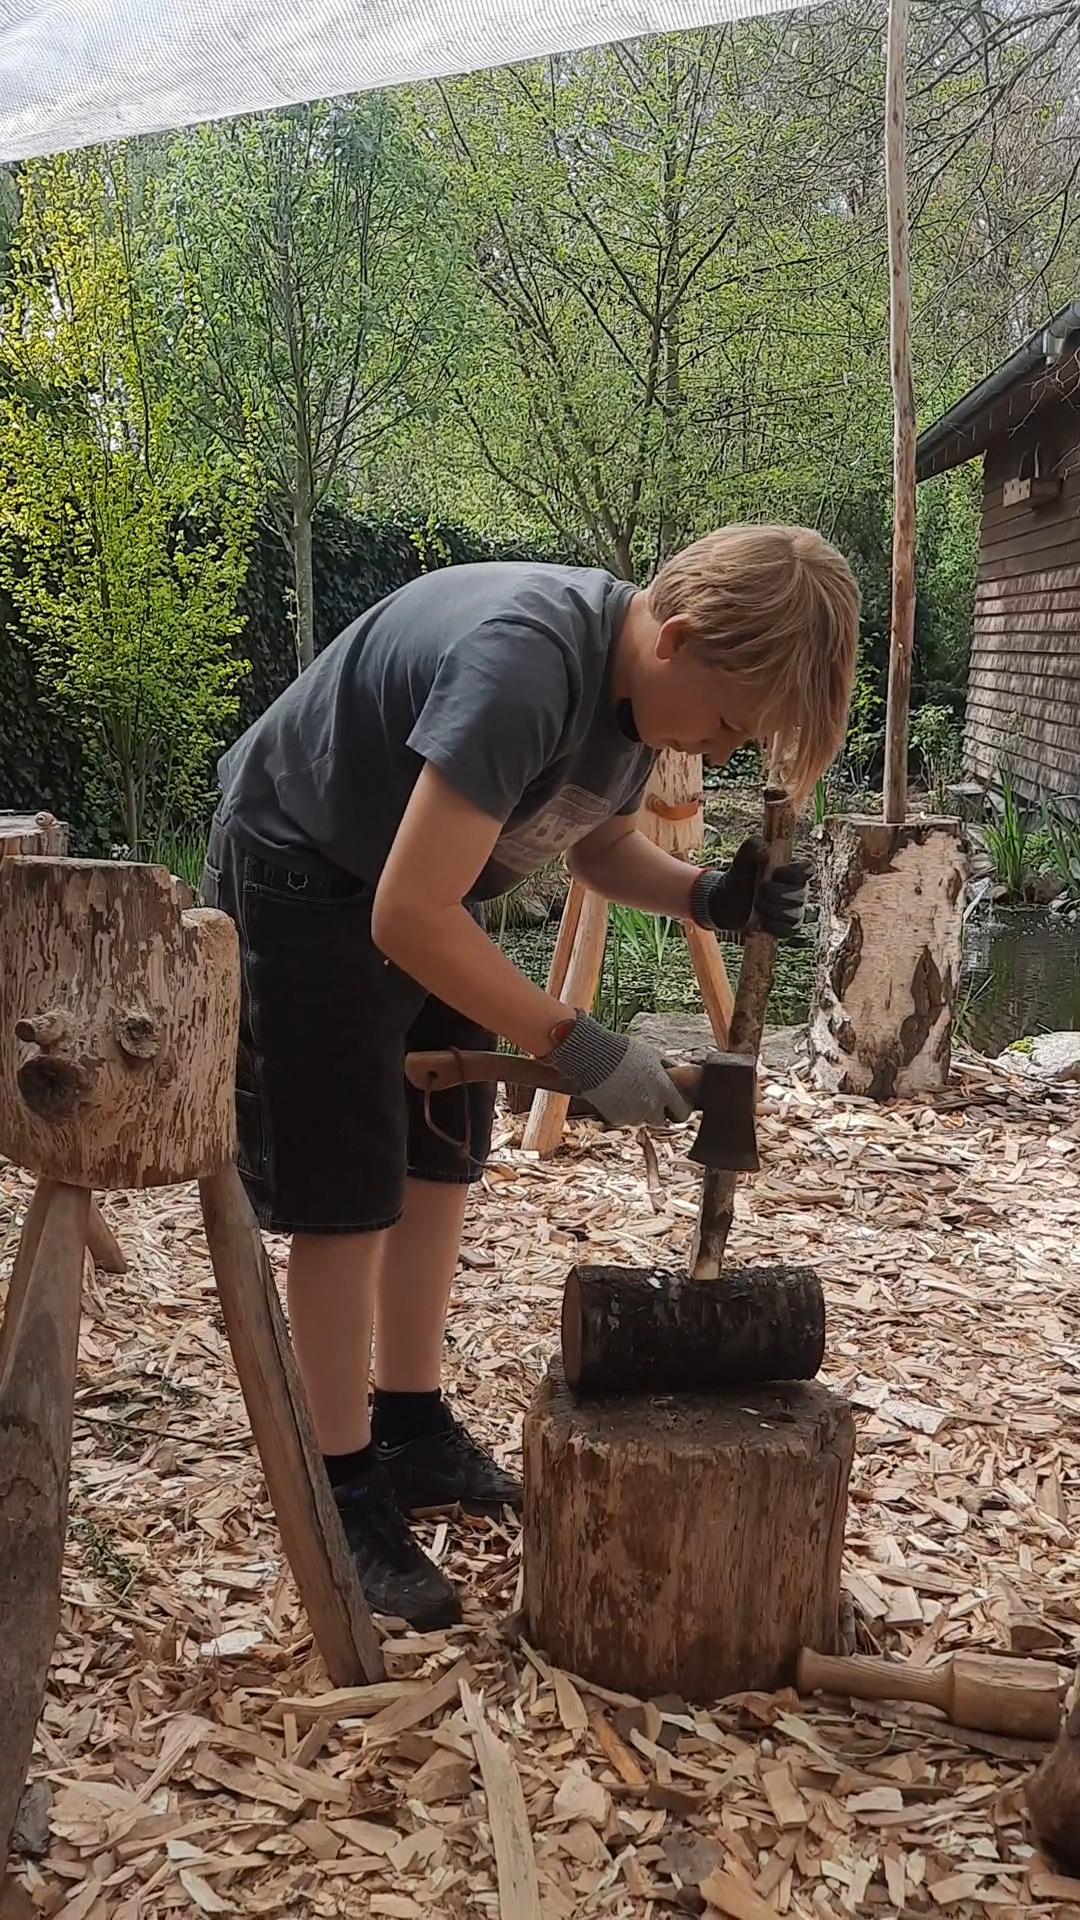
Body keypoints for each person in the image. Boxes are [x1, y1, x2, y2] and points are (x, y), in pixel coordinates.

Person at [204, 524, 860, 1628]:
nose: (730, 749)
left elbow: (592, 844)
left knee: (439, 1156)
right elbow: (404, 913)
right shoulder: (526, 667)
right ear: (679, 638)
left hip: (419, 888)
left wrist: (709, 895)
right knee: (349, 1196)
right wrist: (581, 1043)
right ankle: (339, 1482)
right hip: (305, 863)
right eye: (731, 724)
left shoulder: (637, 691)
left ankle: (408, 1424)